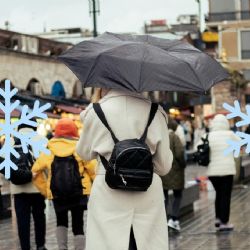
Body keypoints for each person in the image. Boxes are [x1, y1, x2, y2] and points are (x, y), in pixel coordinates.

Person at [76, 88, 173, 250]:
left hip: (108, 194)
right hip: (147, 195)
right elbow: (163, 167)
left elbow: (84, 153)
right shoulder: (155, 112)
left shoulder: (96, 111)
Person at [32, 118, 96, 250]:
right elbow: (93, 170)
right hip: (79, 192)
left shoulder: (49, 149)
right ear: (74, 131)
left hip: (57, 193)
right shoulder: (79, 147)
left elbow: (35, 170)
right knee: (78, 224)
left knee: (61, 222)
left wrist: (45, 190)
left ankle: (62, 248)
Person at [7, 123, 47, 250]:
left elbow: (4, 165)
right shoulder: (41, 139)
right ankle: (40, 245)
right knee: (39, 217)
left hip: (18, 189)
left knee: (22, 221)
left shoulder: (11, 140)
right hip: (37, 187)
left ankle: (25, 247)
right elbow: (47, 165)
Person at [204, 114, 239, 231]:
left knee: (219, 194)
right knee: (225, 195)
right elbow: (240, 143)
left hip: (212, 172)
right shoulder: (230, 135)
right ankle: (224, 222)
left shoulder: (208, 135)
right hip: (227, 170)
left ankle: (218, 218)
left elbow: (198, 146)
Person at [161, 117, 186, 231]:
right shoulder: (175, 137)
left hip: (163, 171)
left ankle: (163, 219)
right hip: (175, 170)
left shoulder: (161, 137)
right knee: (177, 195)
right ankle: (174, 218)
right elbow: (180, 153)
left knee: (164, 196)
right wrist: (183, 164)